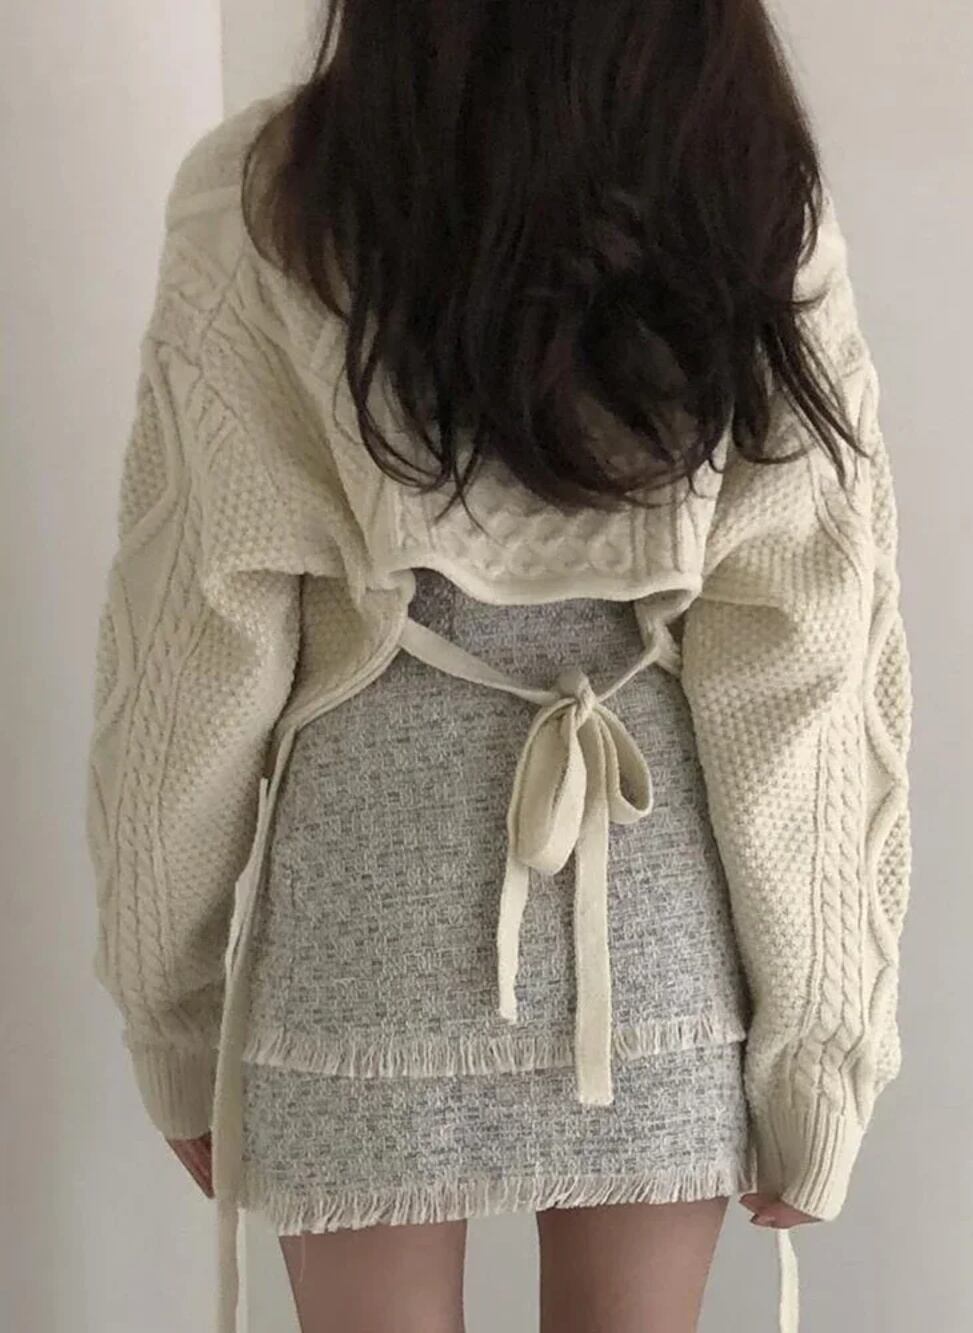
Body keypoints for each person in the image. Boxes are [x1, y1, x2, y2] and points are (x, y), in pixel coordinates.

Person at [84, 3, 912, 1331]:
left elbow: (192, 650)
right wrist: (823, 1045)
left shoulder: (265, 197)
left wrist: (170, 1017)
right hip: (648, 920)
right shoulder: (747, 190)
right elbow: (802, 660)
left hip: (363, 923)